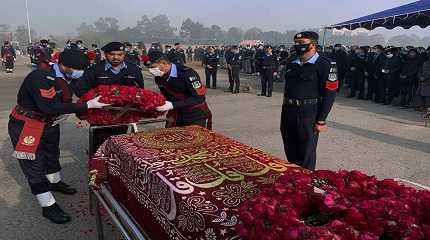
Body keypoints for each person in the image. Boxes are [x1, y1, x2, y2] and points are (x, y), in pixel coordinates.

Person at [8, 49, 109, 224]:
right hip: (28, 125)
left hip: (50, 123)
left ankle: (54, 182)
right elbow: (49, 107)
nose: (80, 73)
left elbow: (77, 92)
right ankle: (47, 205)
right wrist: (87, 106)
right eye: (76, 69)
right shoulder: (41, 77)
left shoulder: (70, 77)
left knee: (51, 155)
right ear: (62, 66)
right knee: (34, 165)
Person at [72, 42, 145, 154]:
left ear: (124, 54)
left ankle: (116, 167)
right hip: (100, 115)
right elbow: (80, 89)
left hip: (123, 115)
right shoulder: (95, 70)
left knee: (119, 143)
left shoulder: (134, 70)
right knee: (99, 146)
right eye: (112, 54)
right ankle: (97, 168)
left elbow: (141, 91)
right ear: (105, 54)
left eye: (119, 54)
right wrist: (96, 99)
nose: (116, 57)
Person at [280, 31, 337, 170]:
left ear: (313, 44)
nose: (298, 46)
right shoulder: (292, 62)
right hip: (288, 111)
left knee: (306, 154)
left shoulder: (326, 64)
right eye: (296, 43)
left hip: (308, 114)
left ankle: (305, 185)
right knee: (290, 148)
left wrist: (321, 120)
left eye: (301, 43)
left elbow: (330, 95)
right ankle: (293, 180)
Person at [148, 56, 212, 129]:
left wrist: (172, 105)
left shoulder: (188, 73)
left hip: (194, 114)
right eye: (149, 68)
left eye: (153, 67)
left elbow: (199, 98)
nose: (151, 71)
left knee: (194, 138)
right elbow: (167, 95)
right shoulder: (159, 77)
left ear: (164, 63)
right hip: (176, 113)